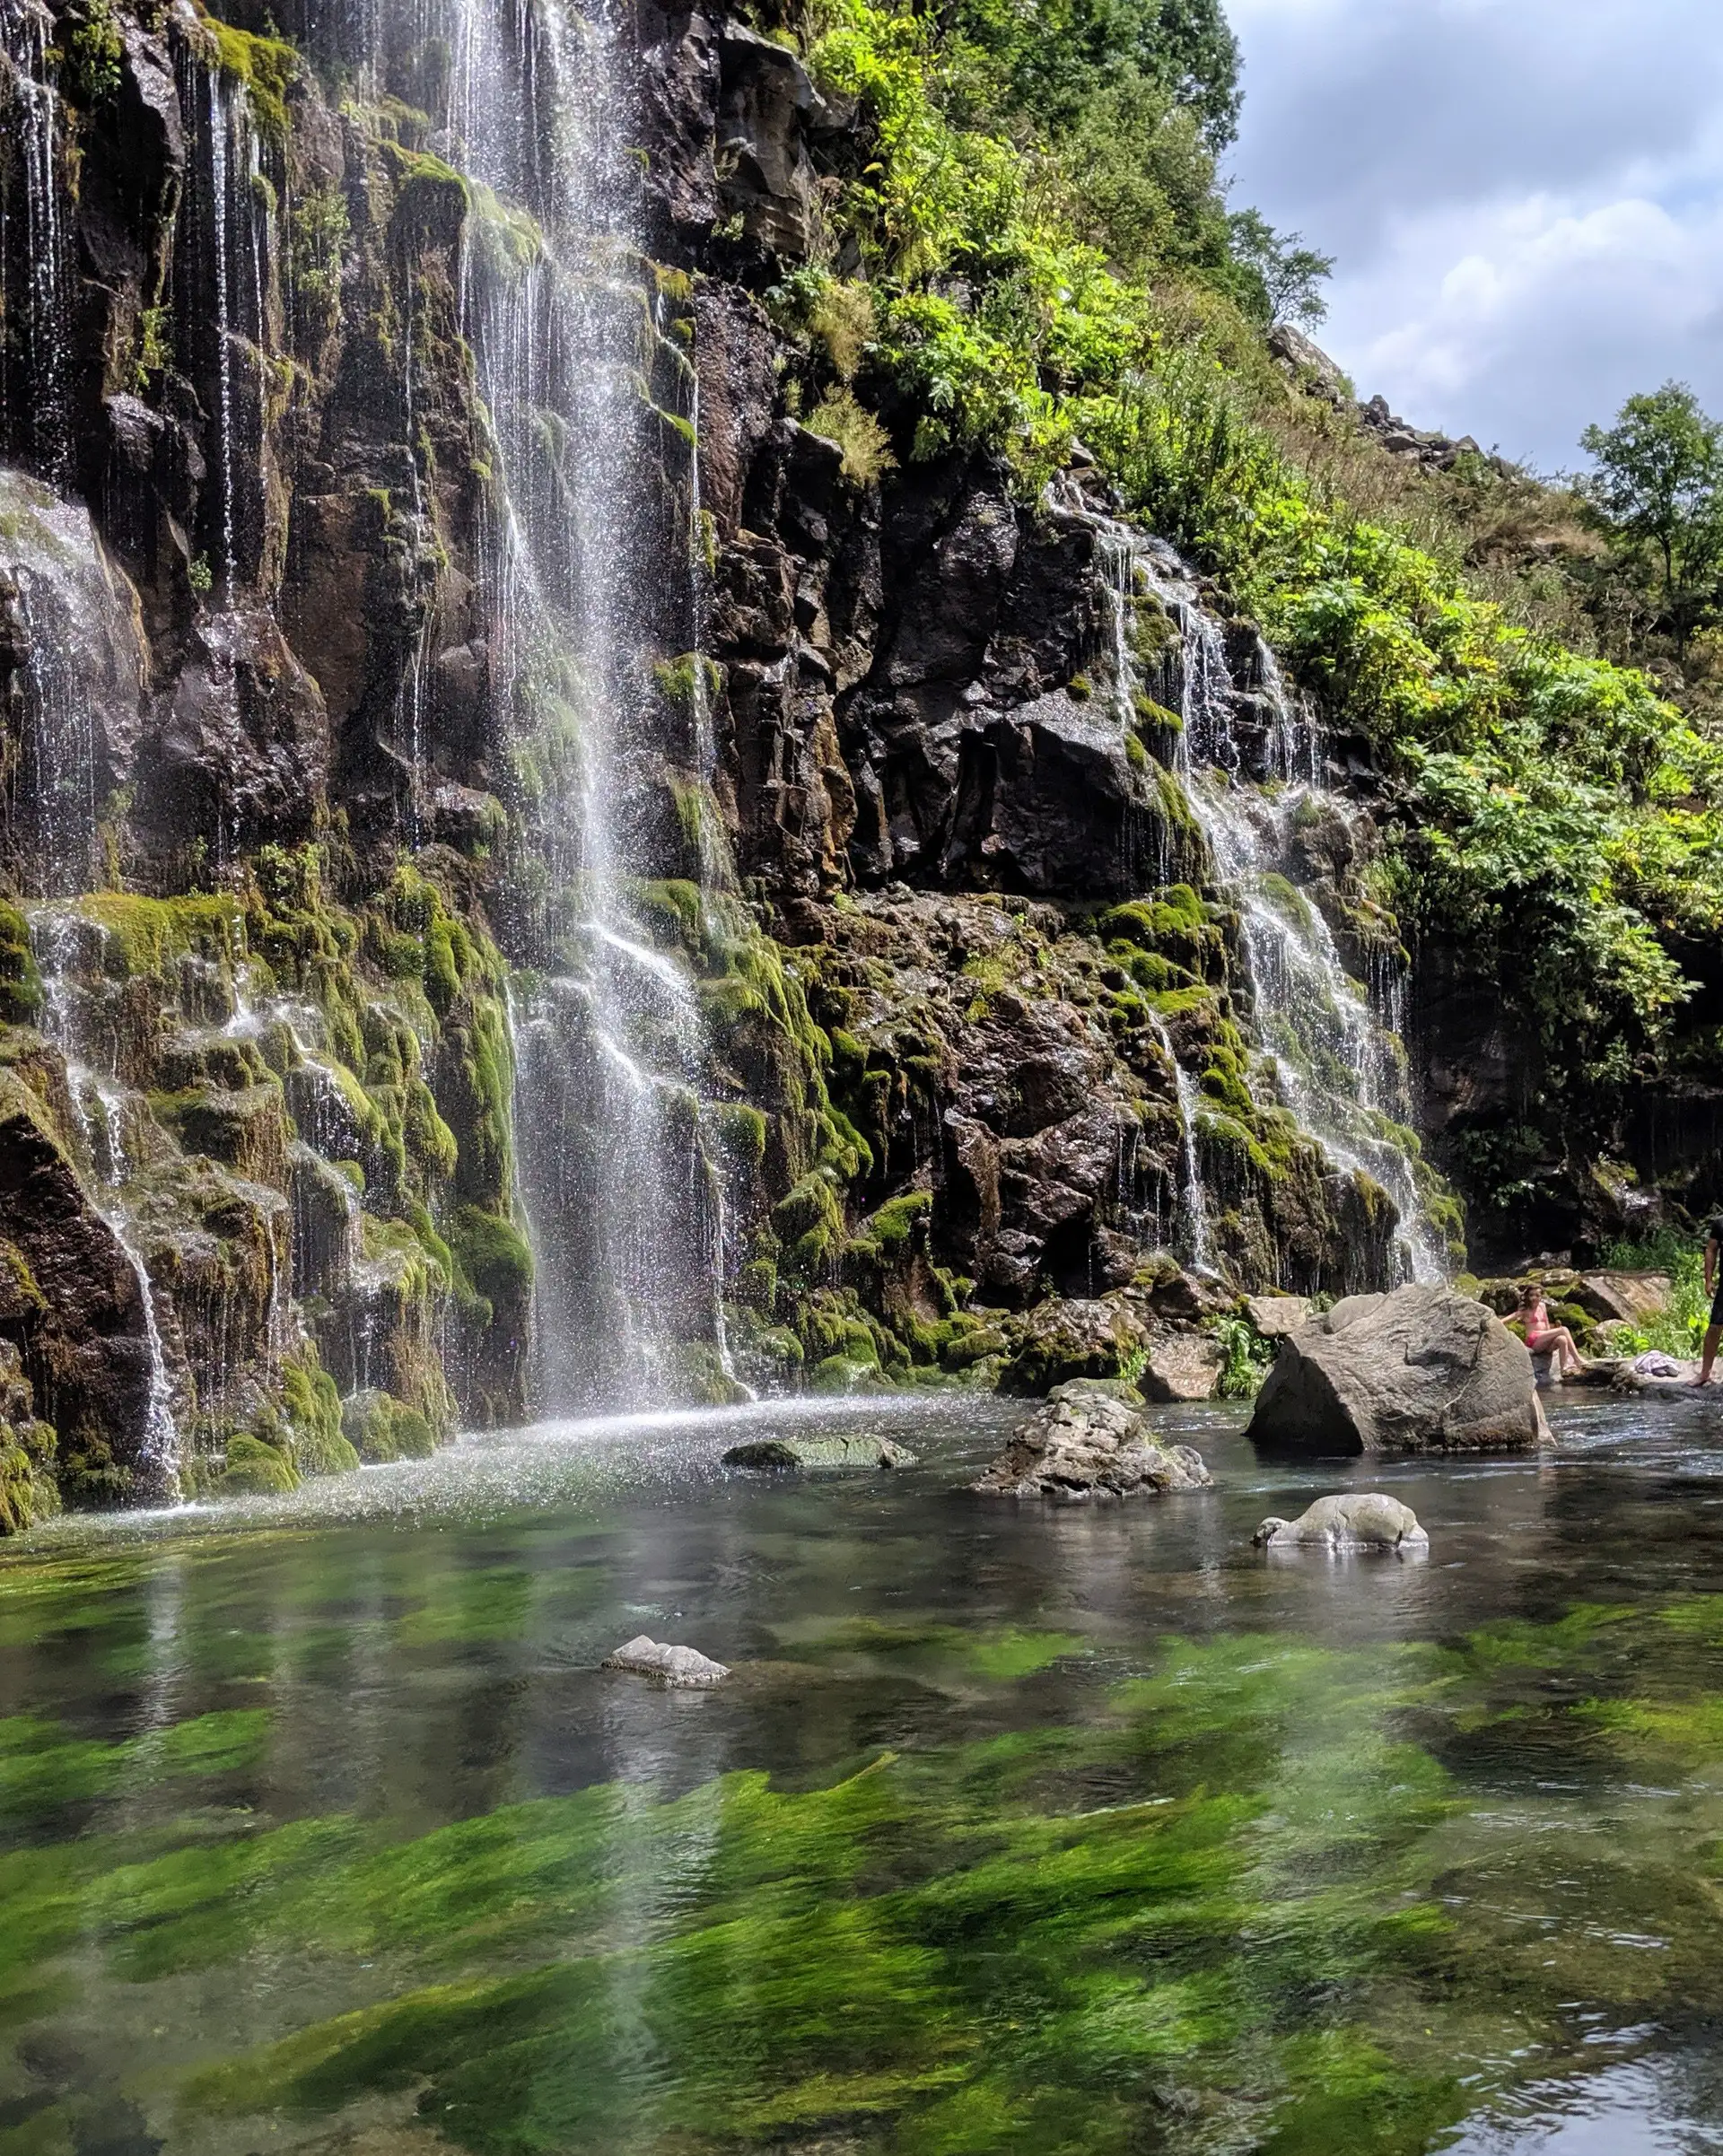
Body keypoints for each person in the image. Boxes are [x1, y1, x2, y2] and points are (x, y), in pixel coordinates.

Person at [1516, 1282, 1587, 1381]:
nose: (1534, 1298)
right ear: (1527, 1296)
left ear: (1541, 1297)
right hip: (1534, 1342)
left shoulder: (1542, 1306)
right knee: (1564, 1329)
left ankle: (1563, 1369)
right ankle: (1577, 1359)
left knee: (1562, 1339)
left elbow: (1547, 1323)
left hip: (1544, 1340)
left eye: (1537, 1295)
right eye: (1531, 1295)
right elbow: (1510, 1318)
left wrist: (1551, 1336)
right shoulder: (1525, 1310)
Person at [1698, 1219, 1723, 1384]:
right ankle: (1704, 1373)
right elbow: (1711, 1250)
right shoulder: (1720, 1223)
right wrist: (1708, 1279)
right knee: (1715, 1327)